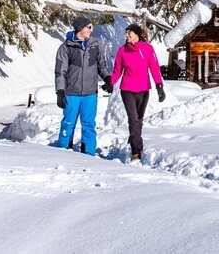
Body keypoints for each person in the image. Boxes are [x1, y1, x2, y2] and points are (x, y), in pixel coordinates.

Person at [55, 16, 112, 155]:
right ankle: (63, 152)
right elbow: (60, 72)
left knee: (89, 125)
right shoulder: (66, 47)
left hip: (90, 93)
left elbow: (102, 66)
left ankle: (88, 154)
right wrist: (60, 91)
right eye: (89, 27)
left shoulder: (95, 45)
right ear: (81, 28)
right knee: (68, 124)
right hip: (71, 93)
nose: (91, 30)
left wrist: (108, 79)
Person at [111, 23, 165, 162]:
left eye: (130, 32)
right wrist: (110, 83)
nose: (127, 35)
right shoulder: (122, 50)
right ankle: (136, 152)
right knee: (133, 120)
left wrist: (159, 85)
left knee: (139, 120)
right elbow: (117, 71)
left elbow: (154, 68)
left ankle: (134, 139)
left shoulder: (147, 49)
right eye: (126, 32)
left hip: (144, 90)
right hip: (127, 90)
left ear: (137, 34)